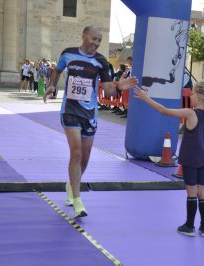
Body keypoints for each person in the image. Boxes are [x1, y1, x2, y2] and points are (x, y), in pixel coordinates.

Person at [42, 26, 137, 218]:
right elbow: (58, 70)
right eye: (94, 39)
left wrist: (120, 88)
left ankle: (72, 184)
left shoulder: (101, 61)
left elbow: (109, 90)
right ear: (84, 36)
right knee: (75, 152)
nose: (96, 43)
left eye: (99, 41)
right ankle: (77, 200)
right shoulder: (68, 54)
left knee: (84, 158)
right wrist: (52, 85)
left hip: (89, 114)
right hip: (70, 110)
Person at [134, 81, 204, 238]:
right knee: (202, 191)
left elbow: (163, 111)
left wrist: (145, 98)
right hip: (203, 157)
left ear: (200, 96)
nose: (191, 96)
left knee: (191, 192)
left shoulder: (190, 113)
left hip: (190, 157)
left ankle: (189, 225)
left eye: (193, 94)